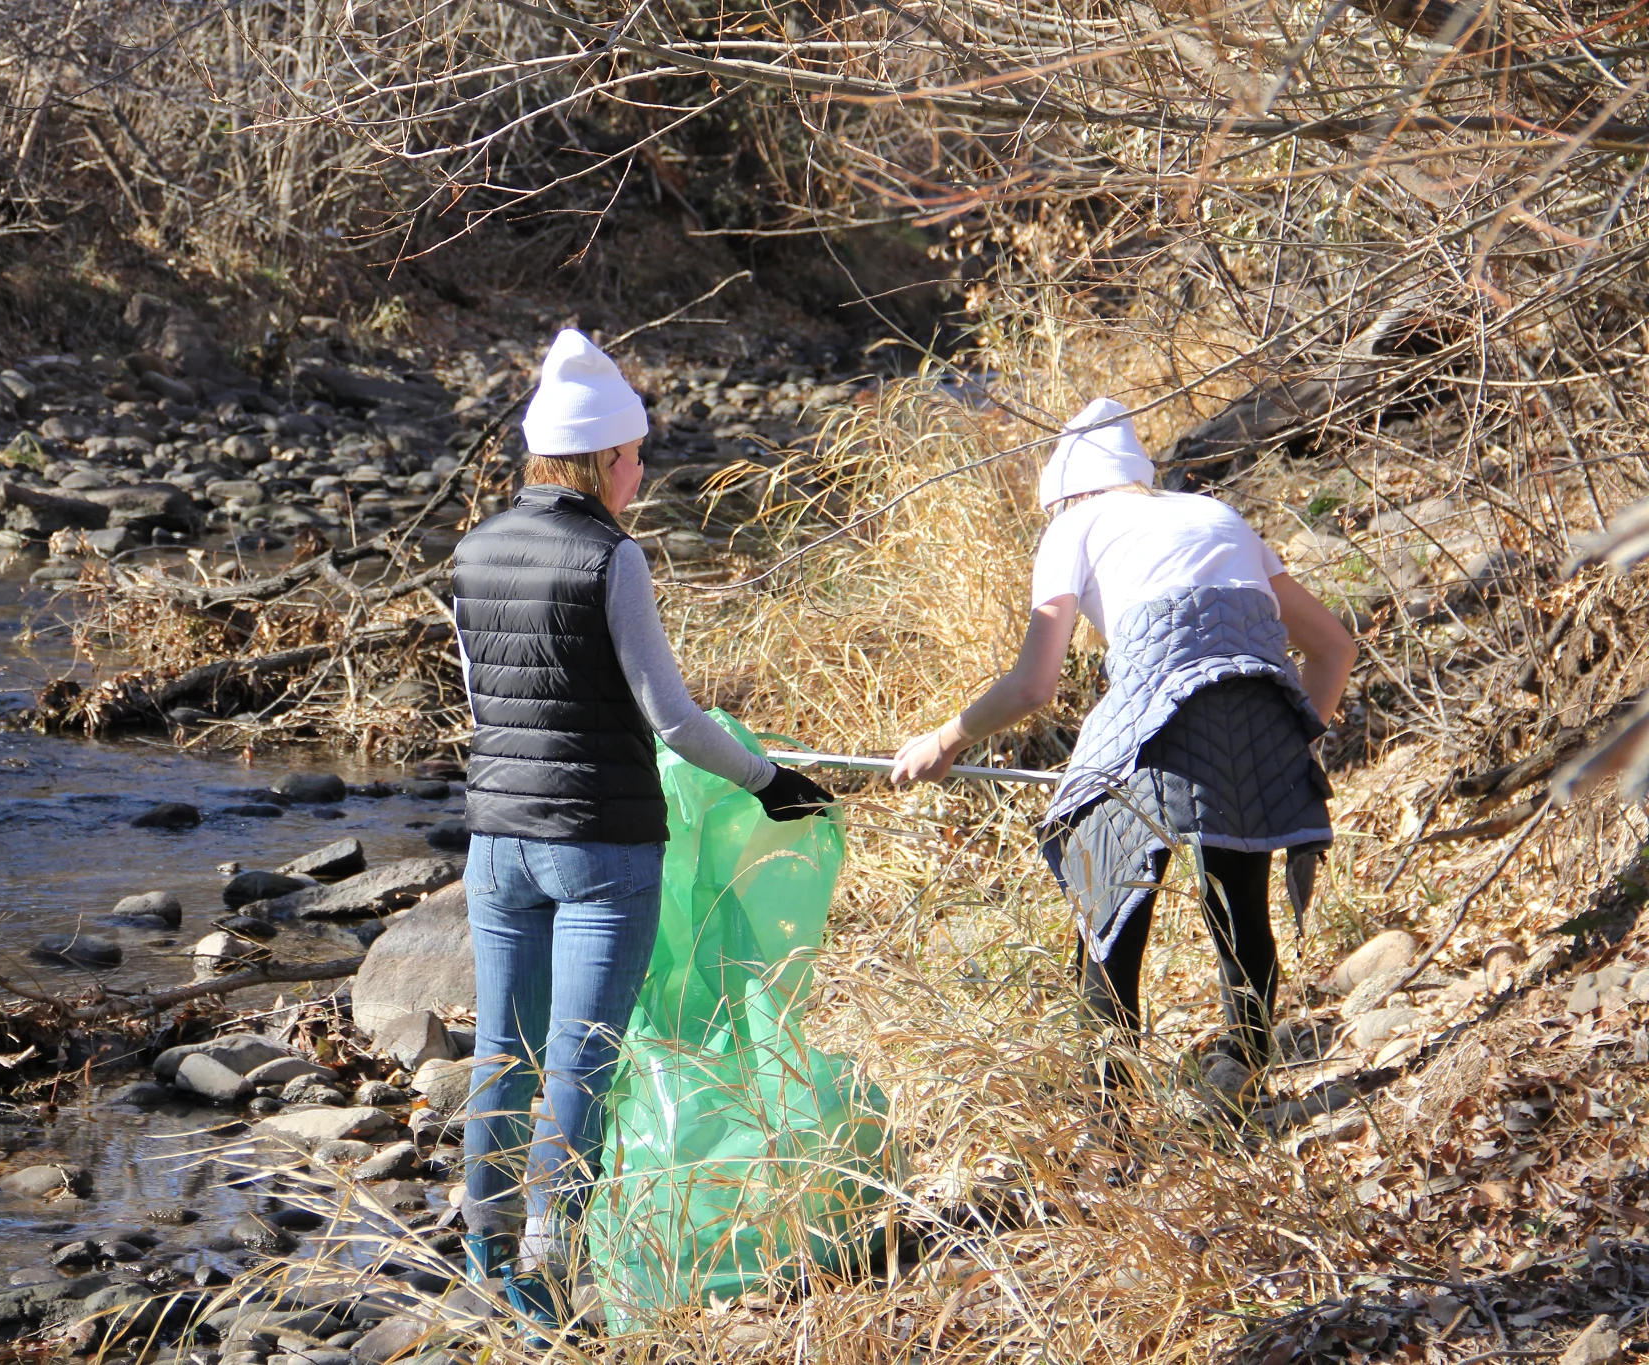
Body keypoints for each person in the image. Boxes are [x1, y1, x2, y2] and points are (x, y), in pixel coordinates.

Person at [449, 328, 835, 1320]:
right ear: (606, 459)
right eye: (635, 456)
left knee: (502, 1051)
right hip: (599, 849)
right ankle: (543, 1283)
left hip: (495, 846)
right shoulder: (611, 558)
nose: (641, 472)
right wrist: (766, 779)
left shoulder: (473, 548)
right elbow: (671, 718)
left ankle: (484, 1264)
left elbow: (486, 701)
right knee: (579, 1062)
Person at [890, 397, 1357, 1110]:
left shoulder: (1075, 525)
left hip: (1153, 713)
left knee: (1106, 912)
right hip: (1263, 707)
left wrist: (945, 739)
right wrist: (1294, 741)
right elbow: (1333, 648)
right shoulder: (1215, 517)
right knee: (1240, 903)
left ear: (1064, 491)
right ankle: (1244, 1077)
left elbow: (1034, 684)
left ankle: (1113, 1120)